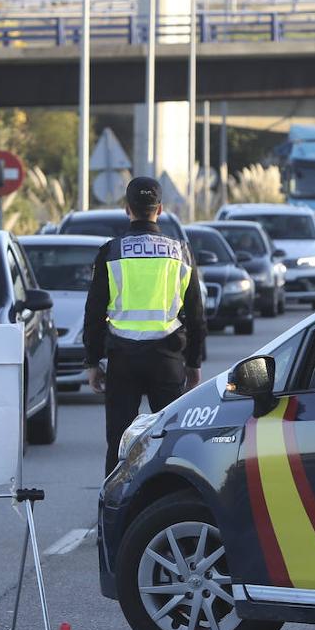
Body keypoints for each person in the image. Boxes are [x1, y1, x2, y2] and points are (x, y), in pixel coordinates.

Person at [83, 177, 207, 475]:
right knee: (171, 441)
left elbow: (94, 313)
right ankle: (167, 498)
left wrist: (92, 362)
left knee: (119, 441)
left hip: (122, 359)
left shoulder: (111, 252)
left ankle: (114, 500)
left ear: (127, 209)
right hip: (167, 359)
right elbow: (196, 315)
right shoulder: (181, 252)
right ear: (160, 209)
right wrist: (193, 362)